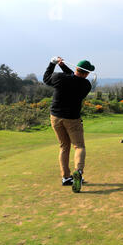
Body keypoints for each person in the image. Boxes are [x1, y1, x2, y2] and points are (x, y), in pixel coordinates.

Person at [43, 57, 95, 193]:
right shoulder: (86, 85)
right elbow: (76, 78)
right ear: (87, 73)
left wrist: (53, 63)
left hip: (55, 117)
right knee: (79, 146)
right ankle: (78, 171)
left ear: (76, 69)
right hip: (72, 119)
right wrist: (63, 66)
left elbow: (46, 78)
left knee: (64, 146)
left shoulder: (60, 78)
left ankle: (66, 177)